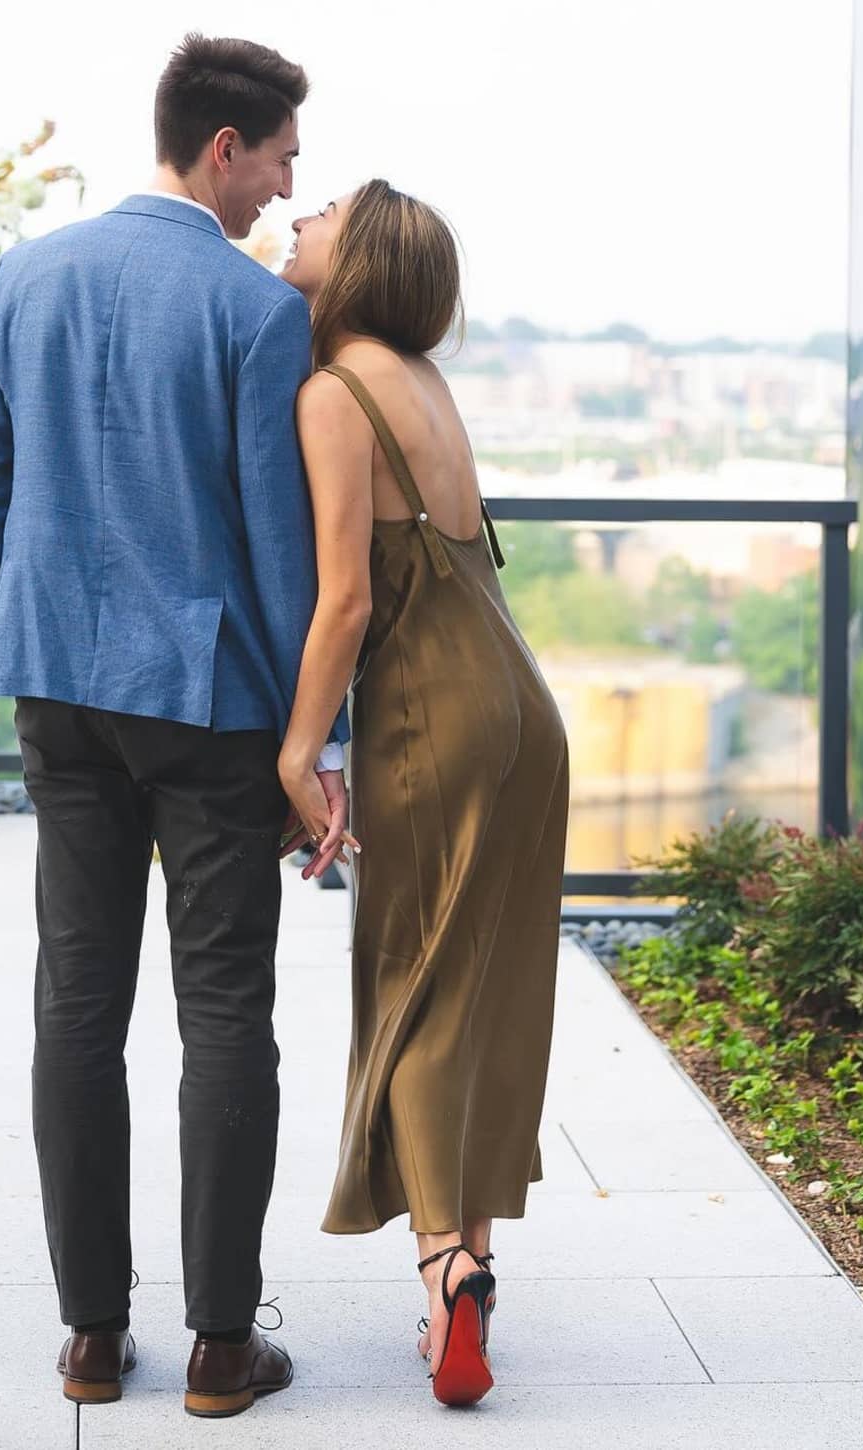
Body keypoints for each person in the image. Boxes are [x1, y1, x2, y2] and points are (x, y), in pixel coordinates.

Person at [0, 33, 350, 1420]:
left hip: (58, 694)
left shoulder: (24, 274)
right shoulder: (253, 313)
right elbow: (280, 548)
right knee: (225, 1009)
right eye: (282, 157)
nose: (286, 184)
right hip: (213, 704)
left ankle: (93, 1339)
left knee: (76, 1002)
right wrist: (319, 740)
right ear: (221, 147)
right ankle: (224, 1348)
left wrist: (10, 642)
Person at [274, 180, 570, 1406]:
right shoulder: (426, 385)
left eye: (326, 213)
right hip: (521, 704)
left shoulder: (336, 394)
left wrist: (302, 753)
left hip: (430, 710)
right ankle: (471, 1271)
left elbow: (347, 602)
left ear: (360, 264)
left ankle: (446, 1264)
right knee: (483, 988)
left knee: (410, 980)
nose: (303, 216)